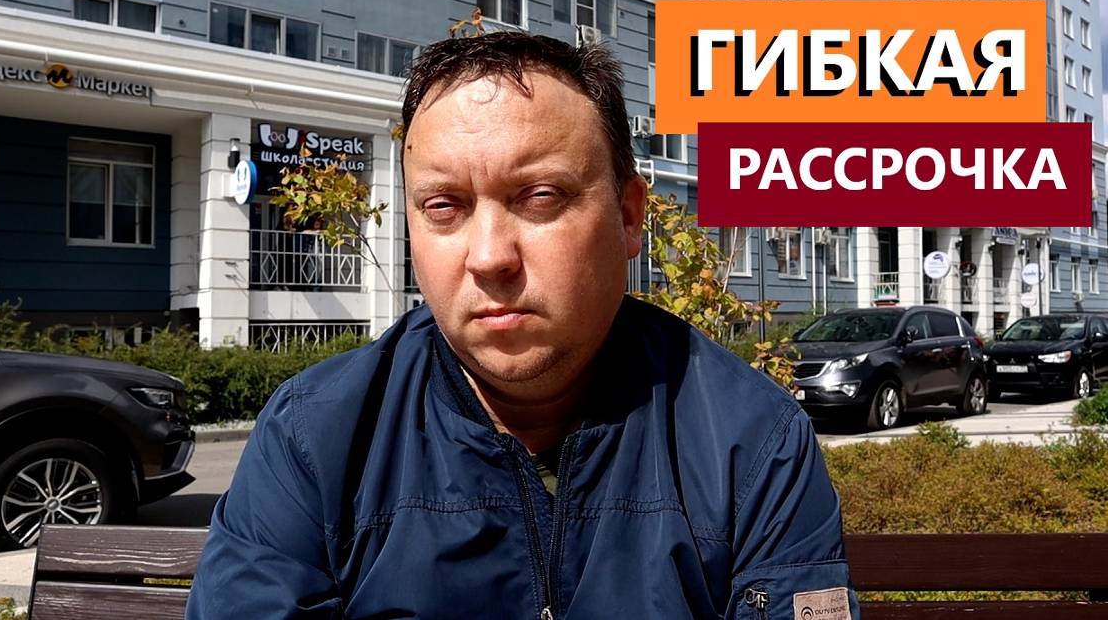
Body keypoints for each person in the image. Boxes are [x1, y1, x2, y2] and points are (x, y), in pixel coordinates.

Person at [187, 32, 859, 620]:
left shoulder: (751, 440)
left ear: (628, 217)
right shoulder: (316, 435)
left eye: (539, 197)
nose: (488, 257)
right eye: (443, 206)